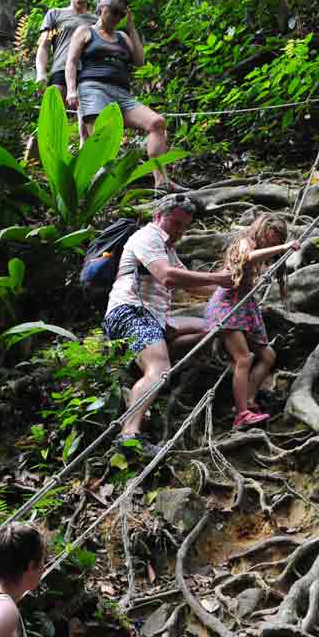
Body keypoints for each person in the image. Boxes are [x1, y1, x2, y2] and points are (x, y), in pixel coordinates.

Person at [103, 193, 233, 454]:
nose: (179, 232)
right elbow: (168, 277)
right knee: (159, 365)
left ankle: (150, 373)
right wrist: (219, 277)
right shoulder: (146, 237)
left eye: (185, 226)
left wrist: (237, 286)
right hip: (131, 312)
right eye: (175, 224)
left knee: (213, 327)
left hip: (158, 319)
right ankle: (129, 436)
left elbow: (200, 288)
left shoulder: (168, 249)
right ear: (158, 217)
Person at [65, 0, 175, 191]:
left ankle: (162, 181)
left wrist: (131, 28)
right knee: (102, 137)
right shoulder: (85, 31)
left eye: (120, 14)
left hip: (122, 94)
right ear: (101, 8)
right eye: (113, 11)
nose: (116, 17)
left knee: (157, 123)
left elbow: (139, 62)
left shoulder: (123, 36)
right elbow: (71, 62)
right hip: (93, 88)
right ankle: (100, 189)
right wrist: (71, 90)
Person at [204, 214, 300, 431]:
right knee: (244, 359)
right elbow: (246, 258)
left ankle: (248, 399)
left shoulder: (262, 249)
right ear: (263, 230)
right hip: (228, 306)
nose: (272, 244)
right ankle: (241, 414)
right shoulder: (245, 242)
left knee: (267, 355)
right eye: (272, 239)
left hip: (246, 307)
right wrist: (282, 247)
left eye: (276, 242)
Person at [26, 0, 96, 157]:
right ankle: (45, 158)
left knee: (86, 122)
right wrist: (41, 72)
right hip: (61, 69)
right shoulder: (56, 15)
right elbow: (44, 45)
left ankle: (84, 164)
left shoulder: (96, 21)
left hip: (87, 73)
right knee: (53, 117)